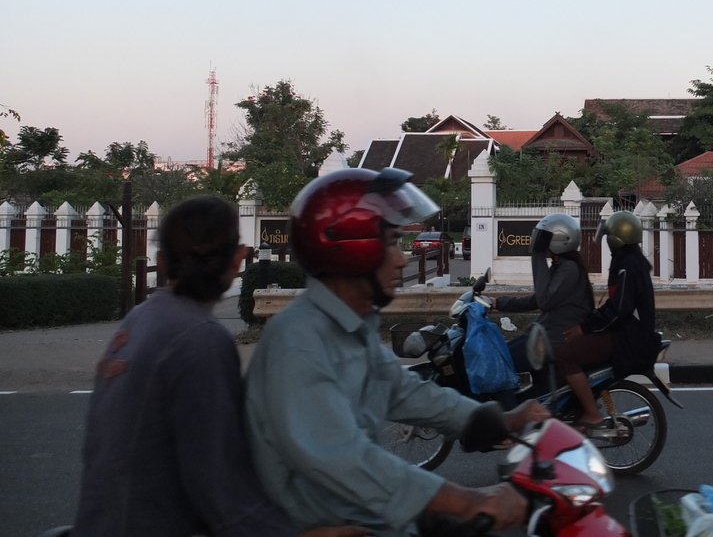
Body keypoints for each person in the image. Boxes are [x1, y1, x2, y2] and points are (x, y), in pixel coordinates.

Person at [243, 168, 549, 537]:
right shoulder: (299, 340)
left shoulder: (351, 326)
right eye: (390, 242)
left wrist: (490, 418)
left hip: (371, 519)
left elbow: (404, 390)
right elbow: (342, 458)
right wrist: (464, 500)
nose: (403, 259)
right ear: (349, 248)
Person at [73, 195, 366, 537]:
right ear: (238, 260)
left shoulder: (138, 320)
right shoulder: (201, 339)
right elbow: (220, 486)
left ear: (162, 261)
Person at [558, 210, 660, 430]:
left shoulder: (626, 266)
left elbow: (618, 311)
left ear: (617, 238)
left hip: (628, 339)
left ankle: (592, 414)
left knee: (566, 355)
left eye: (608, 237)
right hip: (627, 333)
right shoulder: (629, 262)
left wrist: (585, 328)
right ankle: (580, 405)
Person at [494, 212, 593, 375]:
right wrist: (499, 303)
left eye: (543, 239)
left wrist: (537, 255)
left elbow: (544, 300)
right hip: (545, 334)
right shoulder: (561, 266)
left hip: (554, 339)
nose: (539, 243)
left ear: (560, 240)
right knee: (501, 352)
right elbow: (537, 299)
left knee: (502, 366)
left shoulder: (569, 269)